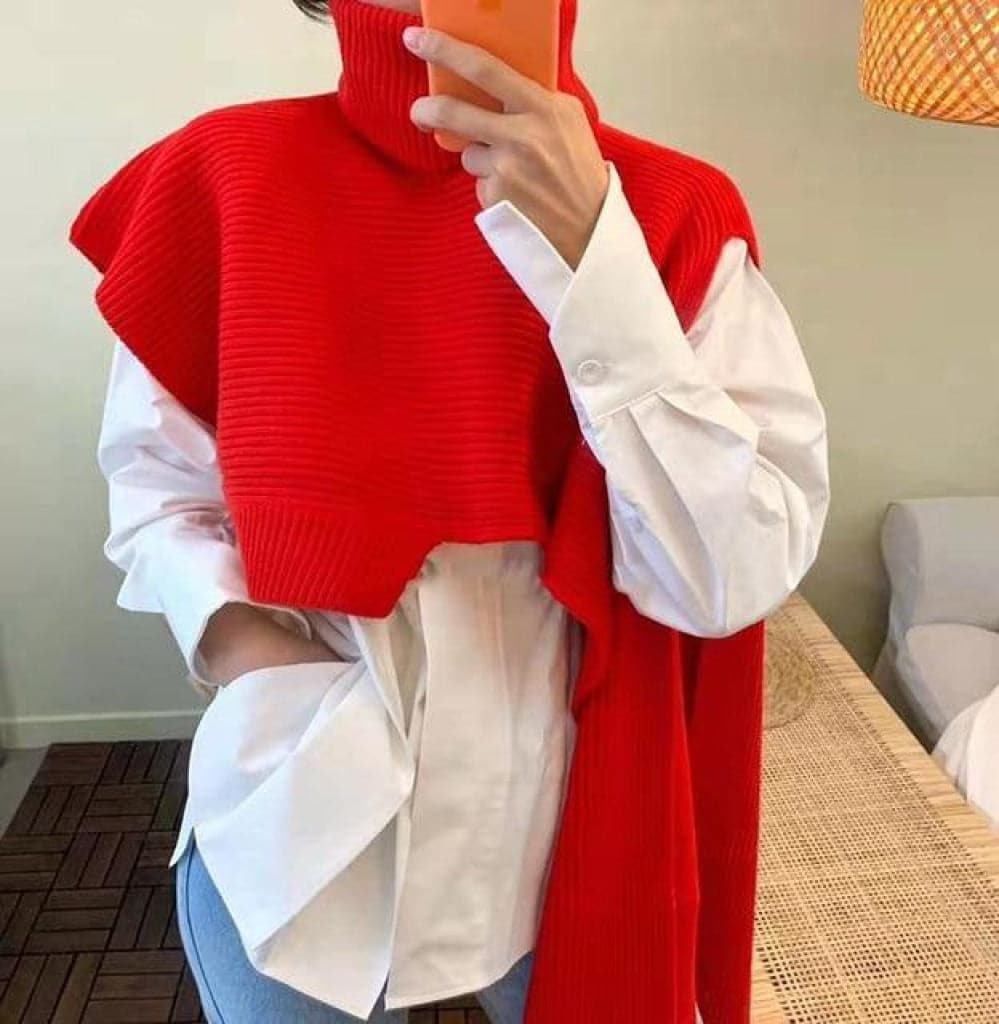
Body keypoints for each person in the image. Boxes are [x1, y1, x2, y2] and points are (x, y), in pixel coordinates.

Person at [71, 0, 830, 1021]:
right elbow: (158, 482)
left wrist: (596, 259)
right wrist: (248, 653)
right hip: (299, 819)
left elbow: (728, 578)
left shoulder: (675, 210)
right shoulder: (223, 176)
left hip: (571, 834)